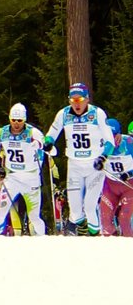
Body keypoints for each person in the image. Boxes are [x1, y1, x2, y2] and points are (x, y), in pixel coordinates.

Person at [43, 83, 115, 236]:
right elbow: (52, 133)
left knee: (89, 206)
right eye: (73, 99)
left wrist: (103, 157)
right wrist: (48, 143)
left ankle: (94, 235)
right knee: (75, 210)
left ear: (87, 99)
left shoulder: (97, 114)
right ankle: (83, 231)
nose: (77, 103)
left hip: (94, 166)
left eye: (80, 99)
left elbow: (110, 141)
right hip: (74, 165)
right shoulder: (63, 114)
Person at [0, 103, 47, 235]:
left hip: (31, 178)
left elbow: (50, 148)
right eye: (13, 120)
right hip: (12, 178)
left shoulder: (32, 132)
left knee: (34, 217)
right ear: (9, 119)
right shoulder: (2, 133)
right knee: (2, 210)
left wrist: (39, 144)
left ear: (24, 120)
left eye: (19, 120)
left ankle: (43, 239)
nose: (16, 124)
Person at [99, 118, 133, 236]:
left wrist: (130, 174)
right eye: (109, 136)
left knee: (124, 219)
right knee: (105, 220)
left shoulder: (129, 142)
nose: (113, 140)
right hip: (110, 185)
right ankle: (112, 247)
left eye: (115, 136)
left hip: (129, 186)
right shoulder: (100, 144)